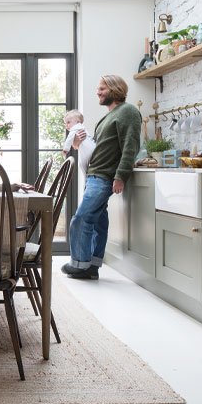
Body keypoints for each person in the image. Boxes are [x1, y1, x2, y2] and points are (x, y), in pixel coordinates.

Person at [62, 75, 141, 280]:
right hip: (94, 175)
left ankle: (78, 264)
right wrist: (78, 145)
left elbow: (130, 145)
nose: (98, 92)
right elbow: (99, 148)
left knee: (81, 219)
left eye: (102, 89)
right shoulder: (108, 116)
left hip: (104, 177)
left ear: (114, 90)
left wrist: (121, 175)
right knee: (98, 223)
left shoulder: (128, 111)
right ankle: (92, 266)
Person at [62, 109, 96, 176]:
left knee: (82, 165)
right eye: (65, 124)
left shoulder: (75, 128)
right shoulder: (82, 127)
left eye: (68, 122)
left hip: (87, 149)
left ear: (78, 122)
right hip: (93, 147)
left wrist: (65, 150)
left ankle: (86, 177)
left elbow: (69, 140)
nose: (66, 126)